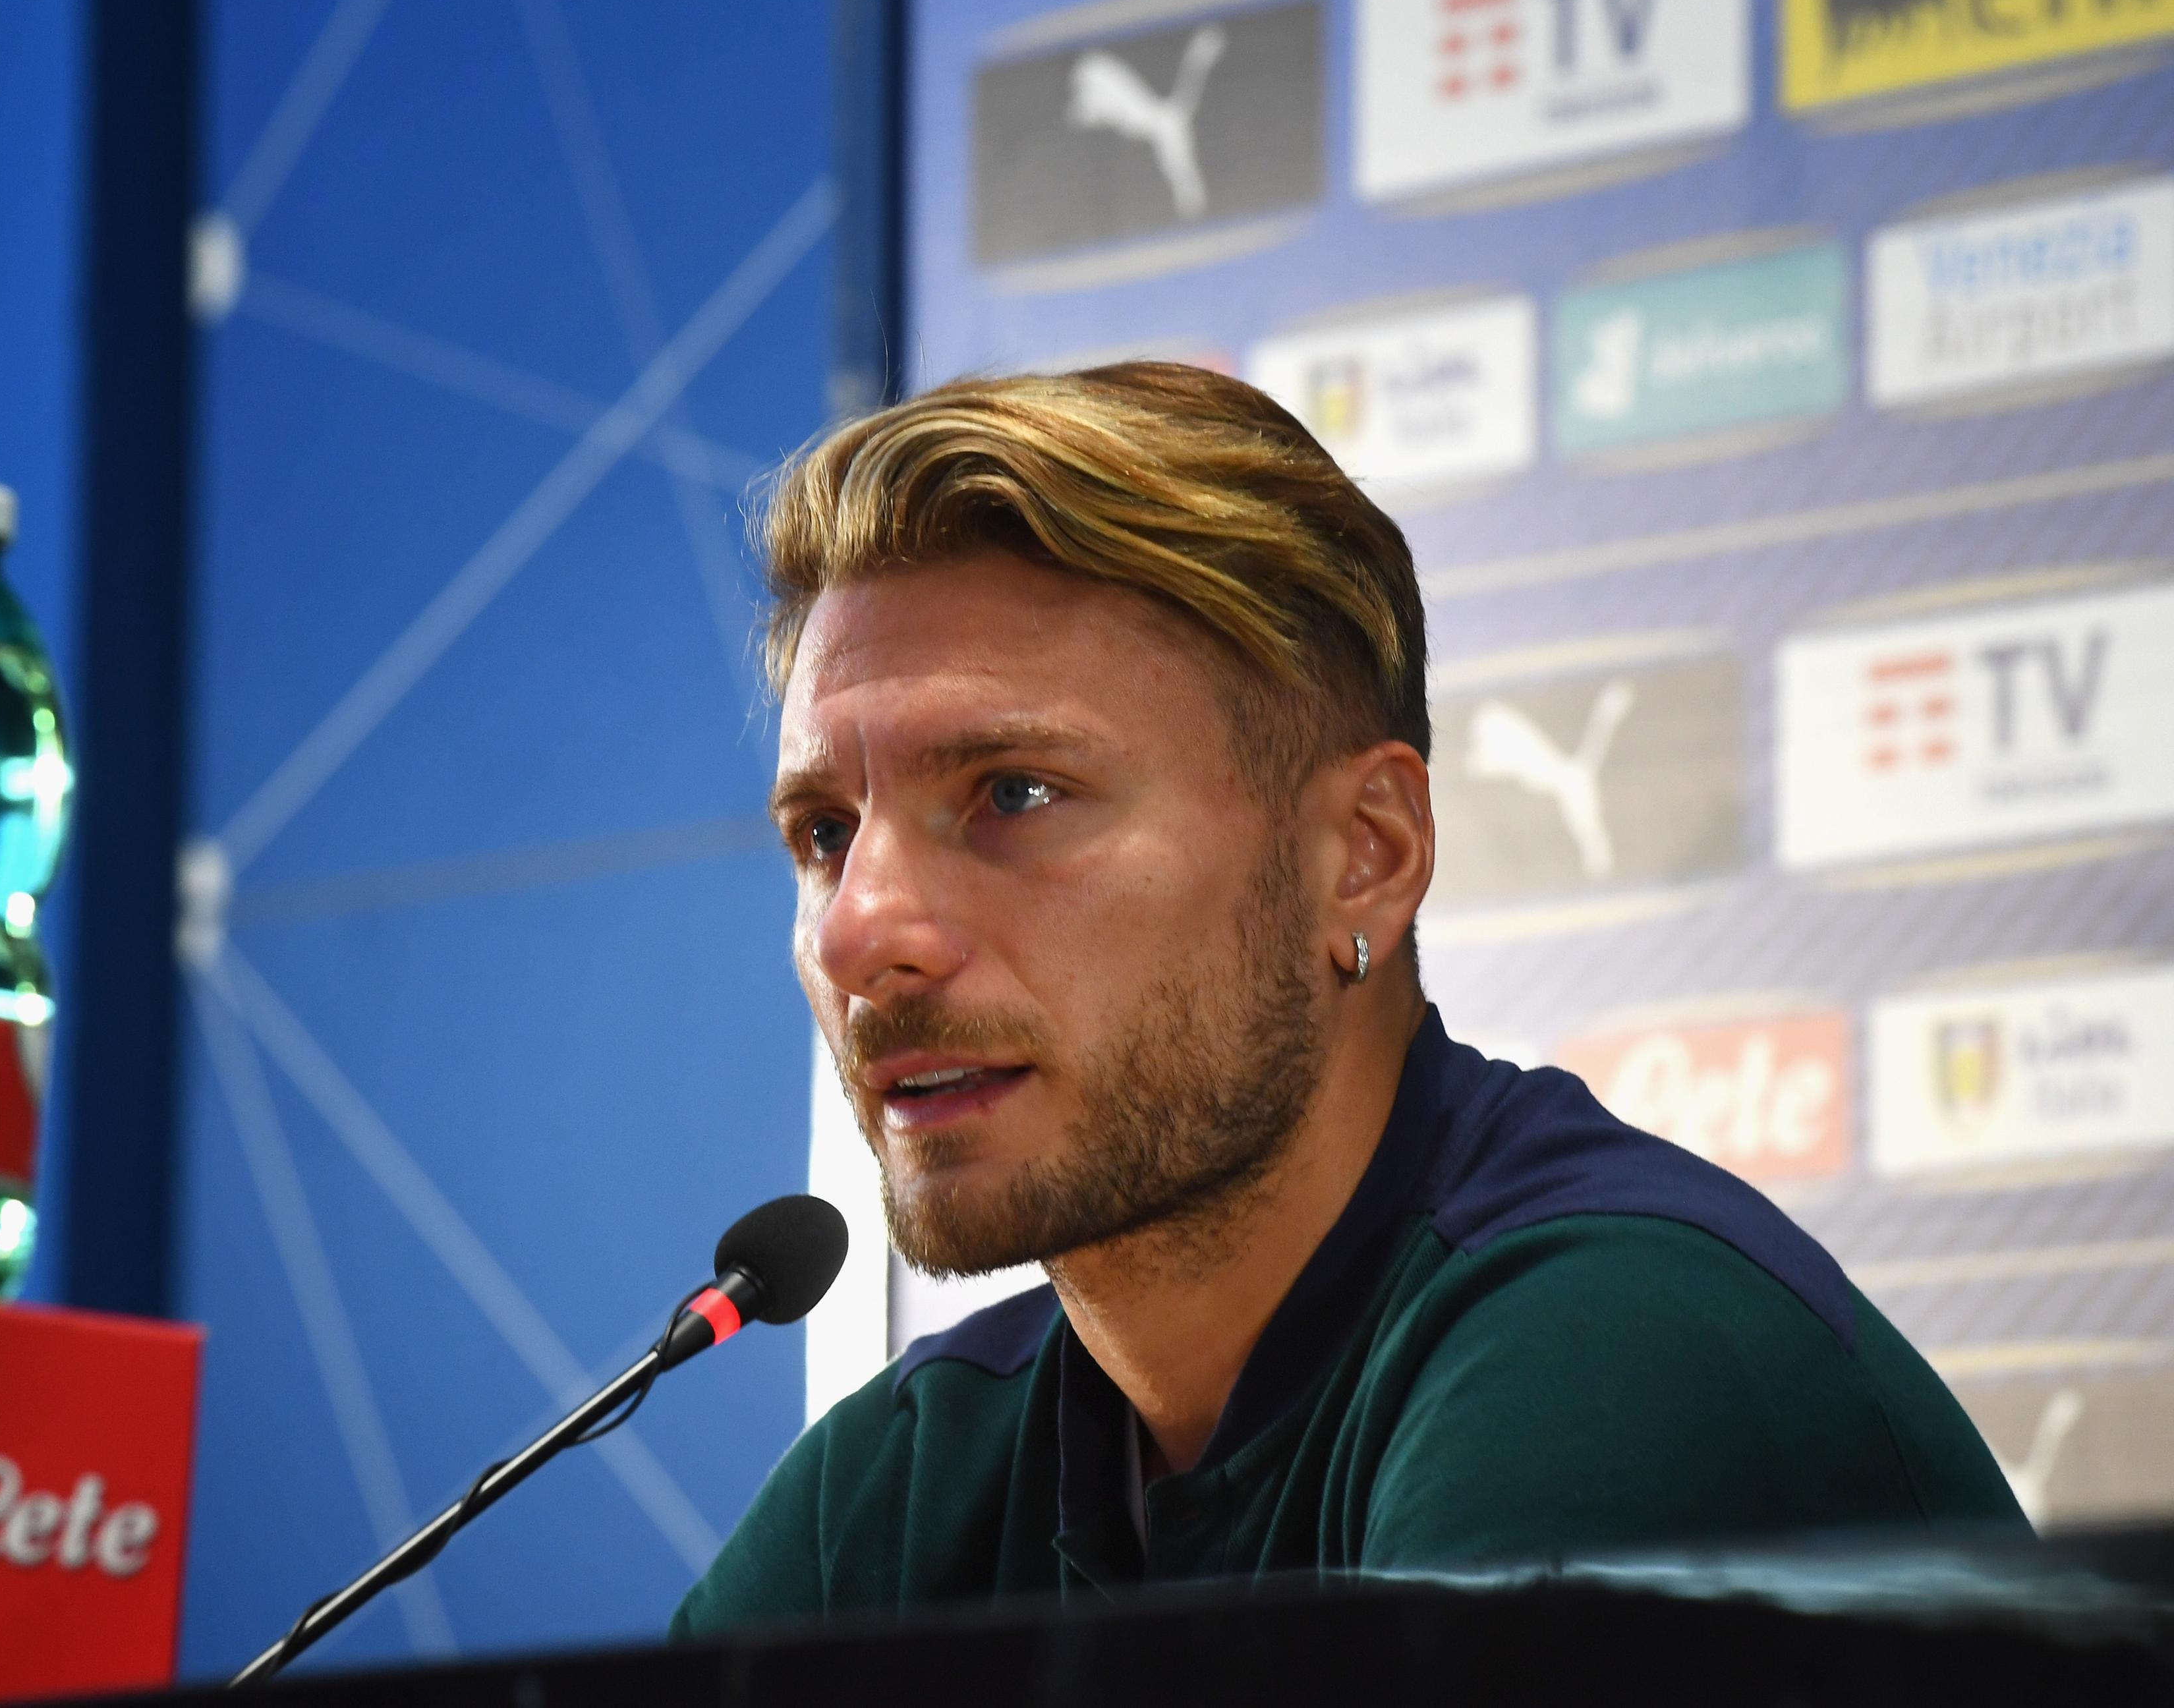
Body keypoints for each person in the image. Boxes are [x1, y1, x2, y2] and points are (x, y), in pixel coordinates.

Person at [673, 363, 2022, 1634]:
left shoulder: (1612, 1352)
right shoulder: (900, 1491)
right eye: (825, 834)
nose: (859, 934)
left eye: (1014, 794)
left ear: (1362, 857)